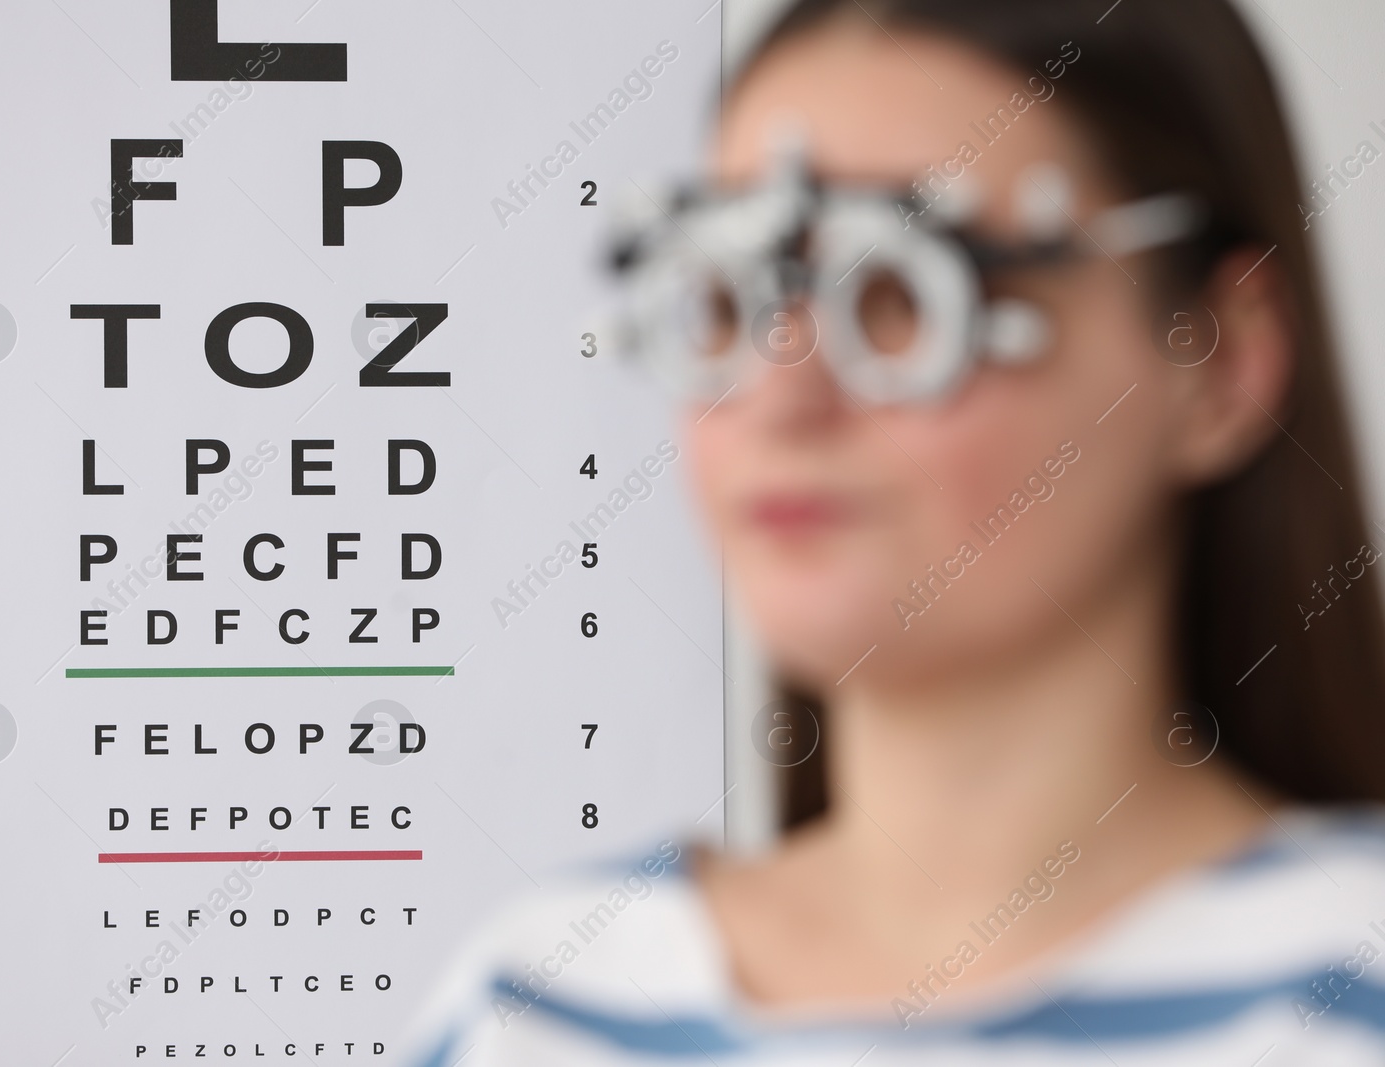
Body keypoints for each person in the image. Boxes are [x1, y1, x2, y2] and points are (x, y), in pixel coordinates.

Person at [407, 0, 1385, 1061]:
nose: (781, 397)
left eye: (903, 291)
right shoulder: (535, 1001)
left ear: (1221, 360)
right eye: (727, 293)